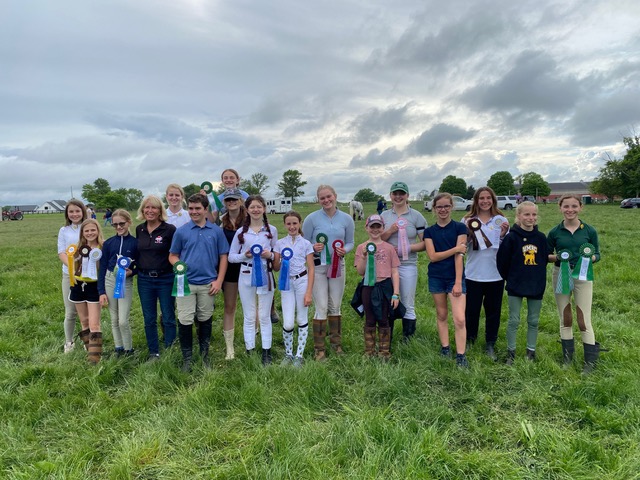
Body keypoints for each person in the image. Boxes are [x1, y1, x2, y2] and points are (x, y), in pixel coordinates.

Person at [169, 193, 229, 371]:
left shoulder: (216, 231)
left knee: (205, 318)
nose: (194, 212)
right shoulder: (181, 231)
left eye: (197, 208)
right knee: (185, 319)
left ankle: (205, 356)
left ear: (205, 210)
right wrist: (178, 264)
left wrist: (219, 281)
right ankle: (187, 357)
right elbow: (173, 255)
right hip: (185, 283)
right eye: (191, 208)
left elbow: (223, 256)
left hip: (208, 284)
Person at [547, 195, 601, 373]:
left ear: (580, 208)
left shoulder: (589, 230)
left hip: (583, 276)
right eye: (566, 206)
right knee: (566, 317)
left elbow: (598, 254)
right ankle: (567, 358)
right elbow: (546, 255)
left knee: (584, 319)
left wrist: (590, 257)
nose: (570, 210)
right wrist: (560, 258)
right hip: (561, 274)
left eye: (574, 206)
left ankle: (590, 362)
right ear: (560, 208)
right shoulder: (555, 232)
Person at [302, 185, 355, 361]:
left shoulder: (347, 219)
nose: (326, 200)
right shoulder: (311, 219)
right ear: (318, 200)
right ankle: (319, 349)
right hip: (318, 266)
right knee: (322, 306)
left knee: (336, 305)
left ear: (335, 196)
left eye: (328, 196)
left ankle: (336, 344)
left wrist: (345, 250)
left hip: (338, 265)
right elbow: (304, 242)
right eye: (322, 198)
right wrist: (313, 246)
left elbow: (350, 242)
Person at [228, 195, 279, 365]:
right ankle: (250, 349)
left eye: (259, 207)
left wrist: (269, 255)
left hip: (265, 275)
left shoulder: (271, 230)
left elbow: (276, 253)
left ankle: (266, 351)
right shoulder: (241, 232)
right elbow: (231, 257)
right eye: (252, 207)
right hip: (246, 275)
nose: (256, 210)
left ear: (264, 209)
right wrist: (245, 255)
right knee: (249, 315)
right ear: (247, 210)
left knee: (264, 315)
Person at [496, 201, 548, 364]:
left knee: (533, 320)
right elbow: (502, 262)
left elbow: (544, 260)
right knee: (514, 320)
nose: (530, 218)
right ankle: (511, 352)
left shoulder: (540, 237)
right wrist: (511, 278)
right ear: (518, 216)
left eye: (533, 215)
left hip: (536, 285)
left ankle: (530, 352)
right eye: (526, 214)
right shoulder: (511, 237)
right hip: (516, 284)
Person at [462, 187, 509, 360]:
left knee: (493, 311)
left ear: (493, 200)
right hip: (473, 273)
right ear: (476, 200)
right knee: (471, 310)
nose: (485, 201)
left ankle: (490, 343)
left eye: (488, 197)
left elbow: (506, 248)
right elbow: (463, 246)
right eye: (481, 198)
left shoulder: (501, 220)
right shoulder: (467, 220)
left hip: (496, 274)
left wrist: (503, 234)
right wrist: (467, 235)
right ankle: (470, 339)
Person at [423, 193, 469, 368]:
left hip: (454, 277)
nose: (443, 210)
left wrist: (458, 282)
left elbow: (460, 256)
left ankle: (461, 354)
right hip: (436, 276)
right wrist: (455, 248)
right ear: (434, 209)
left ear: (452, 207)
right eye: (439, 207)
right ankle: (445, 347)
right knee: (441, 314)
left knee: (459, 318)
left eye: (446, 206)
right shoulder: (429, 232)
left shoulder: (460, 228)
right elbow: (433, 256)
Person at [380, 181, 427, 344]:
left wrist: (406, 248)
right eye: (395, 193)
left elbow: (425, 243)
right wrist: (391, 230)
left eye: (402, 193)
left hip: (408, 264)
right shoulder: (384, 216)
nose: (398, 197)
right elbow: (377, 240)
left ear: (407, 196)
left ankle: (408, 338)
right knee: (388, 300)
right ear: (390, 196)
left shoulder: (416, 216)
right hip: (386, 265)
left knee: (407, 301)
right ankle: (388, 335)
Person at [136, 195, 177, 361]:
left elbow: (174, 253)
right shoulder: (140, 229)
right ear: (142, 210)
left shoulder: (169, 229)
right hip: (145, 279)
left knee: (168, 316)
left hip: (165, 278)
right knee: (149, 318)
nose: (150, 211)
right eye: (147, 207)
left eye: (154, 208)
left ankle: (170, 348)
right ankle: (154, 351)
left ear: (160, 210)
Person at [354, 214, 400, 360]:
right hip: (368, 286)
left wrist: (396, 293)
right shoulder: (362, 247)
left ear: (383, 228)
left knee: (384, 317)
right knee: (370, 318)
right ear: (366, 228)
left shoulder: (389, 248)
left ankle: (384, 351)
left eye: (378, 226)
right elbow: (360, 271)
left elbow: (394, 271)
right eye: (372, 226)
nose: (375, 229)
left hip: (385, 285)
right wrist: (363, 256)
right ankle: (369, 351)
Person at [274, 211, 315, 367]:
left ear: (300, 224)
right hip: (286, 283)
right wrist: (278, 259)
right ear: (285, 225)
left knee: (301, 318)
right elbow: (276, 267)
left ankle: (299, 355)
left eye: (295, 223)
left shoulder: (306, 244)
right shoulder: (279, 243)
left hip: (302, 281)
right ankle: (288, 353)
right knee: (289, 322)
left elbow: (311, 268)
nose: (292, 227)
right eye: (289, 224)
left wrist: (309, 292)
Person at [98, 209, 138, 357]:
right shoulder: (108, 243)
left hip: (125, 282)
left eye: (121, 224)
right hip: (109, 280)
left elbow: (140, 265)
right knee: (114, 319)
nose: (118, 227)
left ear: (128, 222)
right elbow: (102, 267)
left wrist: (131, 272)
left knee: (123, 320)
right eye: (115, 225)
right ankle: (118, 347)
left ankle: (129, 349)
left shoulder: (135, 243)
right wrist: (101, 291)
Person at [69, 219, 104, 364]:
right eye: (87, 230)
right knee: (84, 321)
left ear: (98, 231)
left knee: (94, 323)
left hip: (94, 287)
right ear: (82, 232)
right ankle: (89, 351)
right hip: (78, 285)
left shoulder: (103, 247)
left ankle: (95, 360)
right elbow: (74, 266)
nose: (90, 233)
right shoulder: (77, 248)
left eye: (93, 230)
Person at [219, 188, 247, 360]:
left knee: (251, 306)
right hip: (229, 268)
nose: (231, 202)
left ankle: (251, 341)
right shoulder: (221, 222)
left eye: (234, 199)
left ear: (241, 200)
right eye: (228, 200)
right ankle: (229, 348)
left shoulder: (250, 219)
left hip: (249, 267)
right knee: (230, 307)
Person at [57, 199, 87, 353]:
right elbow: (61, 251)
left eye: (77, 211)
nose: (75, 214)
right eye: (71, 211)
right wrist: (73, 267)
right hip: (69, 275)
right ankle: (69, 342)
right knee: (70, 312)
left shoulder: (89, 227)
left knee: (86, 311)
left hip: (88, 275)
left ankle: (87, 341)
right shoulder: (64, 230)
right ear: (67, 214)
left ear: (83, 211)